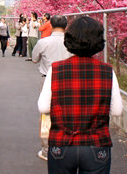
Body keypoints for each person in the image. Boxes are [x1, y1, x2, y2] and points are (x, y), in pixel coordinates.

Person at [38, 16, 122, 173]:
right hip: (96, 144)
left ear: (69, 39)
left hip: (62, 144)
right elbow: (117, 111)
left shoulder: (56, 69)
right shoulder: (107, 71)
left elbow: (43, 107)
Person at [31, 15, 73, 161]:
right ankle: (68, 146)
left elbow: (34, 58)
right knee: (68, 114)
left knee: (46, 115)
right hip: (69, 81)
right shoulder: (71, 42)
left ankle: (46, 149)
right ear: (66, 26)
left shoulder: (43, 42)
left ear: (51, 25)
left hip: (49, 80)